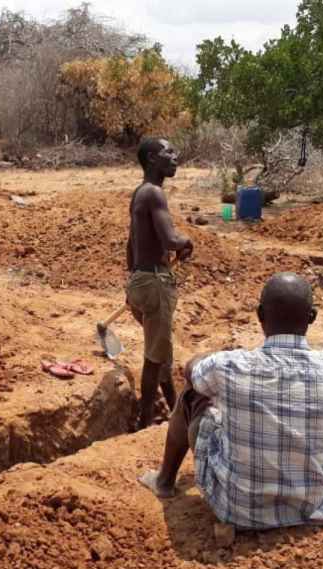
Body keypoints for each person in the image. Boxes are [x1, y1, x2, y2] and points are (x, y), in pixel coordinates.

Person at [139, 273, 323, 531]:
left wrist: (205, 359)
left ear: (260, 315)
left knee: (193, 394)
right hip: (313, 507)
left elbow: (192, 371)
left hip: (237, 510)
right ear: (312, 317)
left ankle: (164, 481)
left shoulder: (230, 365)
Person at [125, 137, 194, 430]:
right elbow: (169, 239)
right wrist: (186, 241)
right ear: (153, 159)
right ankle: (146, 422)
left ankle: (177, 405)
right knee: (154, 357)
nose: (175, 157)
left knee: (161, 348)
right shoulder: (154, 193)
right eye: (169, 152)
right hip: (155, 282)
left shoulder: (138, 193)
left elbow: (130, 244)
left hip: (140, 282)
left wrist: (133, 282)